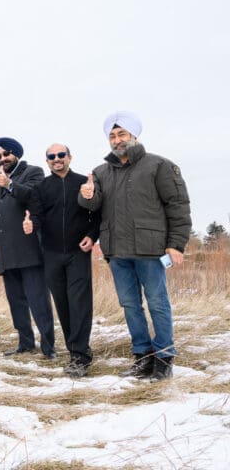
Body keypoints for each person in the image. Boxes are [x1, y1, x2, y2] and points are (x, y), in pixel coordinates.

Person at [79, 112, 191, 380]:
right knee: (130, 305)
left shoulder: (159, 166)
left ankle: (164, 358)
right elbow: (93, 208)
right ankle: (142, 357)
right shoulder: (101, 172)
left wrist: (176, 244)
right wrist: (87, 195)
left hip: (150, 250)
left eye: (122, 134)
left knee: (157, 304)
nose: (117, 140)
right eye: (113, 136)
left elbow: (177, 206)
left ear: (134, 136)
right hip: (117, 252)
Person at [24, 144, 100, 377]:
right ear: (47, 161)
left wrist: (91, 236)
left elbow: (97, 214)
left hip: (78, 252)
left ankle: (80, 356)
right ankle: (74, 350)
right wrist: (31, 225)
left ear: (69, 157)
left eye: (61, 155)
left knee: (79, 302)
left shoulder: (83, 182)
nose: (56, 159)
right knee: (63, 304)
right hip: (52, 254)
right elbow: (36, 216)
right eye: (51, 157)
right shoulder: (41, 188)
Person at [0, 137, 56, 359]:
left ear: (16, 154)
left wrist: (9, 185)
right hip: (6, 254)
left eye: (6, 154)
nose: (2, 158)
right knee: (16, 302)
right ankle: (25, 343)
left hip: (29, 251)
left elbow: (35, 196)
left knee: (38, 301)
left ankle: (48, 347)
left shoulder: (33, 172)